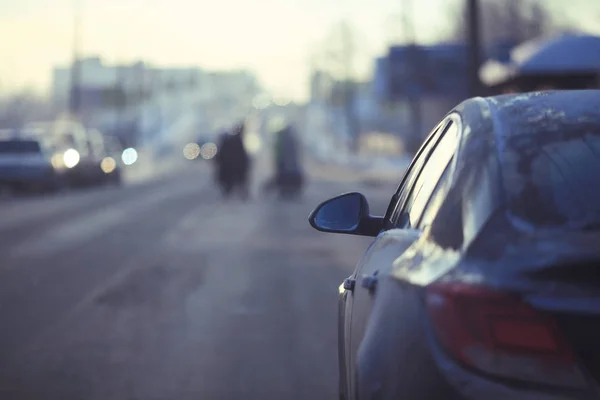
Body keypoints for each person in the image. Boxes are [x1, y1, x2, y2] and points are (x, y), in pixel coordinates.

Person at [214, 122, 251, 199]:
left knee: (235, 183)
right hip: (232, 166)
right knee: (234, 182)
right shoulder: (235, 140)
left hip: (232, 166)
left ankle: (238, 194)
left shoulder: (235, 140)